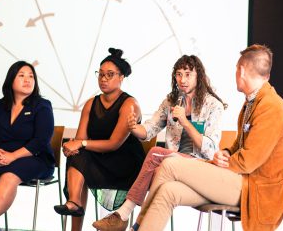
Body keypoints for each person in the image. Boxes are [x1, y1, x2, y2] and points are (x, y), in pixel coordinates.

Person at [133, 44, 283, 231]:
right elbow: (240, 147)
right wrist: (225, 153)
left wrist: (221, 163)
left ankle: (137, 226)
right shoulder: (253, 102)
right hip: (242, 181)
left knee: (170, 164)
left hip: (254, 190)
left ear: (241, 71)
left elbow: (249, 162)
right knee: (168, 191)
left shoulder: (270, 107)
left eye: (236, 69)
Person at [93, 55, 227, 231]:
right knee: (157, 169)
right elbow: (149, 130)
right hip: (173, 166)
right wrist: (133, 127)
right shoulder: (171, 101)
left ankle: (123, 215)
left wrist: (185, 122)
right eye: (178, 74)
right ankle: (138, 226)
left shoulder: (213, 105)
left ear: (198, 76)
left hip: (201, 165)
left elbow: (210, 150)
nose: (182, 80)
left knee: (156, 152)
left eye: (187, 74)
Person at [53, 48, 145, 231]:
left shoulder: (129, 104)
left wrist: (81, 143)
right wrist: (71, 147)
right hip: (99, 160)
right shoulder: (90, 103)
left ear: (121, 77)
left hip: (124, 164)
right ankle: (74, 204)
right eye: (100, 74)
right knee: (76, 156)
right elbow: (80, 139)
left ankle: (75, 204)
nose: (103, 79)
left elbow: (114, 144)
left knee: (81, 153)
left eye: (110, 75)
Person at [0, 61, 55, 231]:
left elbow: (41, 141)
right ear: (11, 80)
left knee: (9, 175)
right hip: (3, 156)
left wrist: (13, 156)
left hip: (35, 158)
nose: (28, 80)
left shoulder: (42, 106)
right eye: (22, 75)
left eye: (31, 76)